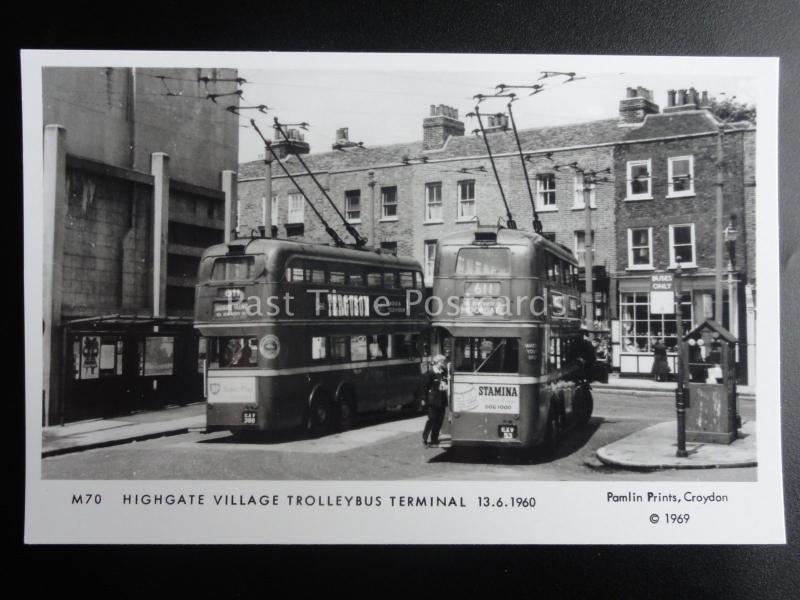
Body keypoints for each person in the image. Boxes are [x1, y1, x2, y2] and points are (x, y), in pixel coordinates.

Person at [421, 354, 449, 447]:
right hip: (432, 401)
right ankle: (424, 438)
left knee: (439, 420)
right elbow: (424, 387)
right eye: (442, 362)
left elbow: (446, 382)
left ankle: (434, 439)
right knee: (432, 419)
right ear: (437, 362)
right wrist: (424, 399)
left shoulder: (444, 371)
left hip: (442, 400)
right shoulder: (430, 373)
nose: (444, 363)